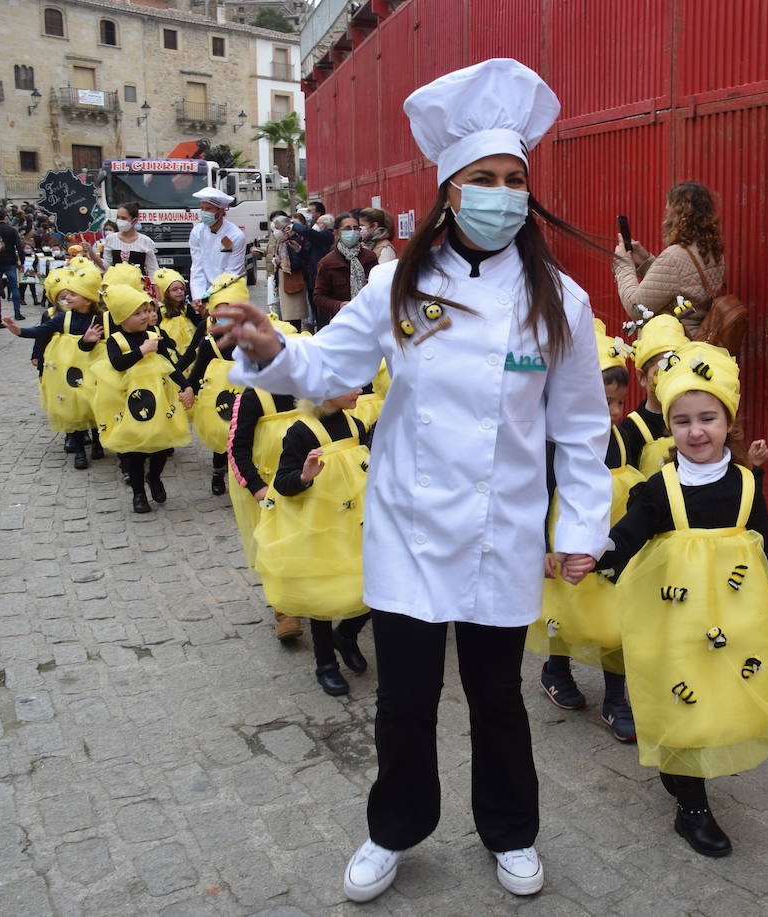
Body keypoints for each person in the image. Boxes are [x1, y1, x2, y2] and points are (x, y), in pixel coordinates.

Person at [213, 58, 611, 903]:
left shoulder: (562, 301)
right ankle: (393, 828)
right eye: (483, 179)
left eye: (515, 179)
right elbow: (328, 364)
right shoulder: (400, 284)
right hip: (407, 529)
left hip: (502, 531)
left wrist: (580, 528)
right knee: (403, 699)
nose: (502, 193)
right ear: (449, 191)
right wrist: (268, 347)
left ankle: (511, 831)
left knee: (497, 696)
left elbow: (580, 427)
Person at [597, 341, 768, 858]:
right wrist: (590, 556)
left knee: (718, 699)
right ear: (669, 428)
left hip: (733, 621)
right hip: (673, 620)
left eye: (707, 418)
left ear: (729, 421)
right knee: (684, 700)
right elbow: (628, 535)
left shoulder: (746, 485)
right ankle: (693, 809)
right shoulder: (660, 489)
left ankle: (682, 773)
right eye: (682, 421)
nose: (696, 431)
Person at [529, 318, 641, 742]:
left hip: (615, 542)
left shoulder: (625, 436)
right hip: (567, 540)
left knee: (618, 615)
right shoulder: (557, 440)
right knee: (566, 609)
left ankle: (616, 698)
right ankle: (556, 669)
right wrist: (542, 546)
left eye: (619, 402)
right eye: (604, 401)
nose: (613, 412)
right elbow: (540, 495)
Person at [257, 387, 374, 696]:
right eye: (350, 384)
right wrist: (305, 476)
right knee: (320, 595)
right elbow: (283, 482)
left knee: (374, 583)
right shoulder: (300, 431)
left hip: (355, 520)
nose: (360, 390)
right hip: (317, 526)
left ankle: (347, 635)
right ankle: (326, 663)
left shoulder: (356, 425)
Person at [93, 284, 192, 513]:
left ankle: (154, 476)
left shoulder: (153, 335)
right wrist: (142, 351)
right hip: (130, 402)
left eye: (146, 311)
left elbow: (170, 365)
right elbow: (118, 364)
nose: (145, 316)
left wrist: (186, 386)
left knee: (161, 442)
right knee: (134, 448)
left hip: (159, 398)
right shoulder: (115, 340)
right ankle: (138, 493)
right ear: (121, 317)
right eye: (137, 313)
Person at [2, 263, 106, 466]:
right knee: (73, 406)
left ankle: (97, 442)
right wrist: (19, 331)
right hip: (69, 370)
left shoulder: (100, 318)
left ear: (86, 298)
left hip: (95, 367)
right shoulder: (63, 317)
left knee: (93, 403)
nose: (67, 298)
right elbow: (41, 331)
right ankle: (79, 451)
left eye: (73, 294)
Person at [227, 385, 305, 641]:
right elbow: (237, 447)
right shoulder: (253, 397)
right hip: (270, 489)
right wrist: (256, 486)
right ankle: (285, 609)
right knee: (277, 545)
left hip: (309, 481)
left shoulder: (314, 388)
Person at [612, 182, 726, 337]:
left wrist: (623, 264)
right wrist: (646, 261)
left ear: (678, 216)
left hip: (674, 348)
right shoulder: (711, 250)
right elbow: (683, 283)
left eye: (668, 212)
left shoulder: (674, 256)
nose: (665, 218)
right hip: (698, 342)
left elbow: (636, 308)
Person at [182, 273, 248, 496]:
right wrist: (189, 387)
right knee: (222, 431)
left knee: (246, 434)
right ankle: (218, 471)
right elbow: (198, 367)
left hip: (246, 393)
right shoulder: (210, 342)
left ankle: (245, 472)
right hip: (219, 395)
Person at [620, 314, 687, 477]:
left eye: (675, 371)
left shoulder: (690, 417)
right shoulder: (631, 429)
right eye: (662, 372)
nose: (668, 380)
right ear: (642, 377)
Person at [312, 213, 378, 325]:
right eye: (347, 228)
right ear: (337, 233)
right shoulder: (327, 263)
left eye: (356, 228)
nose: (352, 232)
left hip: (369, 318)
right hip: (341, 321)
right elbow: (319, 297)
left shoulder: (369, 257)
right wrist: (339, 305)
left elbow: (378, 287)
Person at [188, 187, 247, 310]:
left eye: (208, 209)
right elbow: (197, 267)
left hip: (228, 292)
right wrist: (198, 296)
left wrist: (209, 295)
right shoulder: (197, 232)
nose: (204, 212)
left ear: (220, 211)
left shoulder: (235, 236)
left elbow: (231, 273)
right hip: (205, 292)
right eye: (202, 208)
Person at [102, 202, 159, 276]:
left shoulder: (145, 241)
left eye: (124, 218)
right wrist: (93, 255)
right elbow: (107, 265)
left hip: (138, 284)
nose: (119, 220)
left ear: (134, 220)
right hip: (115, 284)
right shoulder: (110, 239)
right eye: (118, 217)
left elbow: (152, 269)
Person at [0, 208, 27, 321]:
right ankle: (17, 312)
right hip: (10, 260)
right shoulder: (11, 230)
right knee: (14, 286)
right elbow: (19, 247)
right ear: (5, 217)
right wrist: (22, 261)